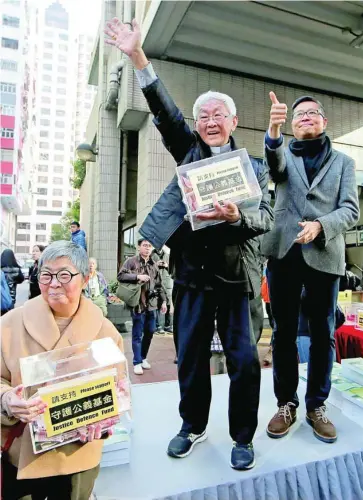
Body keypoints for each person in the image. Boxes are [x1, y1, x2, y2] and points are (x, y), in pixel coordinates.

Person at [105, 18, 273, 470]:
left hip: (238, 281)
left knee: (243, 361)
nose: (211, 121)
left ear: (234, 122)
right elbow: (162, 111)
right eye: (204, 116)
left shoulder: (253, 168)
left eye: (219, 115)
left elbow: (267, 218)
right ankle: (192, 426)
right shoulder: (188, 151)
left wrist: (238, 215)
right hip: (193, 278)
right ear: (196, 126)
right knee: (192, 360)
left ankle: (243, 436)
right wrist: (138, 56)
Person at [262, 92, 359, 444]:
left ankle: (316, 404)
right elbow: (273, 166)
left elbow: (350, 209)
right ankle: (286, 403)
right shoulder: (284, 154)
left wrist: (321, 226)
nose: (305, 117)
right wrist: (273, 130)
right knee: (284, 332)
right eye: (298, 114)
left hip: (324, 253)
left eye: (312, 113)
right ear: (291, 123)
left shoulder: (345, 163)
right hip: (284, 253)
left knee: (323, 333)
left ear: (324, 121)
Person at [1, 241, 127, 499]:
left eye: (64, 274)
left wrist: (103, 421)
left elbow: (116, 391)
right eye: (46, 275)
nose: (54, 283)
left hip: (78, 457)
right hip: (19, 456)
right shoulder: (9, 324)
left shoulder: (106, 333)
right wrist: (6, 399)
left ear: (86, 277)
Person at [118, 239, 167, 376]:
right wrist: (137, 276)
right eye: (145, 245)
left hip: (152, 304)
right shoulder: (131, 261)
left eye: (149, 246)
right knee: (137, 334)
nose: (147, 248)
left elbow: (159, 285)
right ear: (139, 247)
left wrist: (163, 301)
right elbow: (120, 276)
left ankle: (143, 357)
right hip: (138, 304)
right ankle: (137, 362)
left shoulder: (153, 264)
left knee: (150, 331)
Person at [152, 247, 174, 334]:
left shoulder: (167, 256)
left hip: (167, 282)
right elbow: (149, 268)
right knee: (157, 303)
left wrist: (167, 266)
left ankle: (167, 326)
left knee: (168, 303)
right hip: (156, 282)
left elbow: (173, 270)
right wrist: (155, 265)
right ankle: (157, 326)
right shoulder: (151, 256)